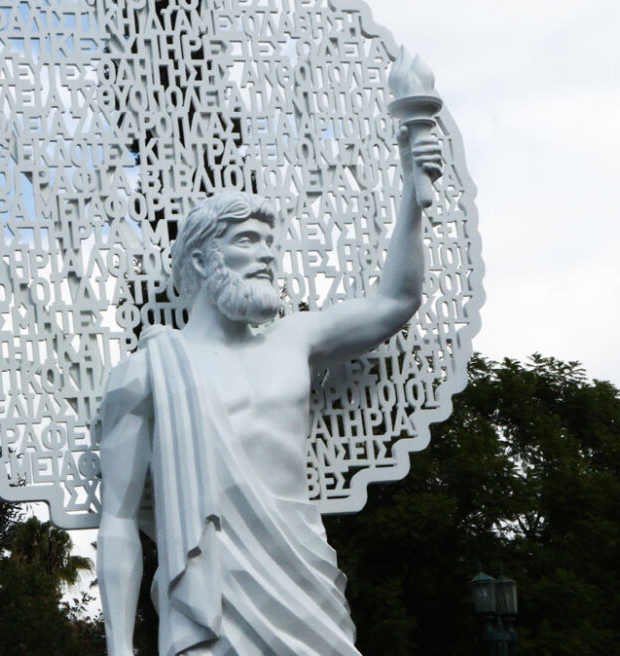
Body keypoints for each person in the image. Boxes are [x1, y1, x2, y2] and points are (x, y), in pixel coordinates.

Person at [96, 127, 442, 656]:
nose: (266, 256)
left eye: (269, 243)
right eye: (246, 241)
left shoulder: (294, 339)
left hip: (305, 586)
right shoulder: (147, 374)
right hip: (210, 602)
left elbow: (395, 301)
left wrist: (413, 195)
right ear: (201, 261)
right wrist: (119, 648)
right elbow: (117, 519)